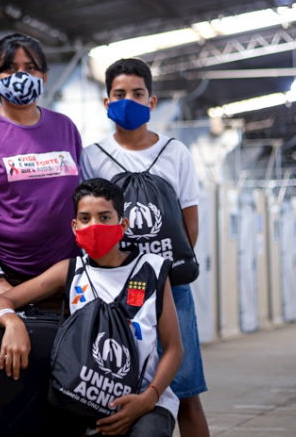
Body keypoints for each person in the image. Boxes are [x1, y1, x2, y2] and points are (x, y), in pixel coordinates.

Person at [0, 178, 182, 436]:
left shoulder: (152, 270)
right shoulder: (70, 271)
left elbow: (174, 348)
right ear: (74, 226)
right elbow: (1, 300)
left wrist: (149, 398)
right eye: (85, 218)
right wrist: (11, 322)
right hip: (84, 403)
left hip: (146, 404)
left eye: (104, 217)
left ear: (122, 224)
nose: (94, 226)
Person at [81, 58, 210, 437]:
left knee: (186, 392)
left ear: (152, 102)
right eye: (119, 94)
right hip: (111, 290)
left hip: (171, 289)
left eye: (138, 94)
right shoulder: (91, 156)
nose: (129, 101)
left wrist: (161, 276)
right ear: (106, 103)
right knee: (107, 384)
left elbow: (190, 226)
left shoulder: (176, 153)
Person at [0, 33, 82, 302]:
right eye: (10, 68)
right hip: (4, 277)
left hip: (61, 276)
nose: (20, 75)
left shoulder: (64, 127)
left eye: (30, 68)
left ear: (44, 77)